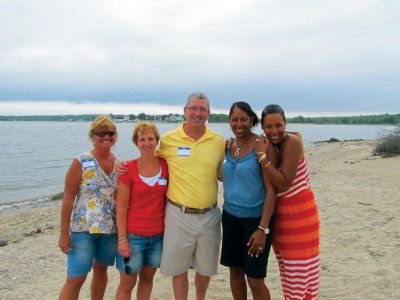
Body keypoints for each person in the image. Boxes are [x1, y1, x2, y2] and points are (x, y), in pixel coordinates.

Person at [158, 92, 225, 300]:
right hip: (178, 213)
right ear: (185, 111)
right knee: (178, 268)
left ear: (209, 113)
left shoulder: (218, 142)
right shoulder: (168, 140)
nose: (197, 113)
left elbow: (223, 173)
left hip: (209, 214)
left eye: (202, 109)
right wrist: (121, 166)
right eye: (193, 108)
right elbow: (148, 164)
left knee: (205, 268)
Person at [255, 104, 320, 300]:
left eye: (279, 125)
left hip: (299, 216)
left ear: (285, 123)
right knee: (289, 273)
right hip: (282, 215)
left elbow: (284, 183)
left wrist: (261, 157)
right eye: (268, 126)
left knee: (298, 273)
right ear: (262, 127)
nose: (274, 131)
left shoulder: (292, 142)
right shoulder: (273, 144)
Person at [221, 101, 277, 300]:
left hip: (256, 220)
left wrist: (262, 229)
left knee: (254, 278)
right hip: (229, 218)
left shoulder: (261, 146)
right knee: (235, 272)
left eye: (244, 119)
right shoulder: (228, 146)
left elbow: (271, 192)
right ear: (229, 121)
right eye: (234, 119)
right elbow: (227, 175)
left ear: (252, 119)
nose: (239, 124)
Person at [58, 115, 119, 300]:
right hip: (82, 229)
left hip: (109, 230)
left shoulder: (119, 163)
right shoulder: (81, 162)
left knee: (101, 270)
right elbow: (68, 199)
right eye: (101, 133)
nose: (106, 136)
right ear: (92, 136)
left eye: (111, 133)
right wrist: (63, 234)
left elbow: (120, 199)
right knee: (75, 278)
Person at [115, 122, 168, 300]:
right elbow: (121, 206)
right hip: (133, 237)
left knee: (147, 279)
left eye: (150, 138)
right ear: (136, 143)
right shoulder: (127, 168)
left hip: (158, 237)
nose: (147, 143)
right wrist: (122, 239)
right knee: (127, 284)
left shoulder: (166, 166)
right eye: (142, 139)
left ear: (157, 141)